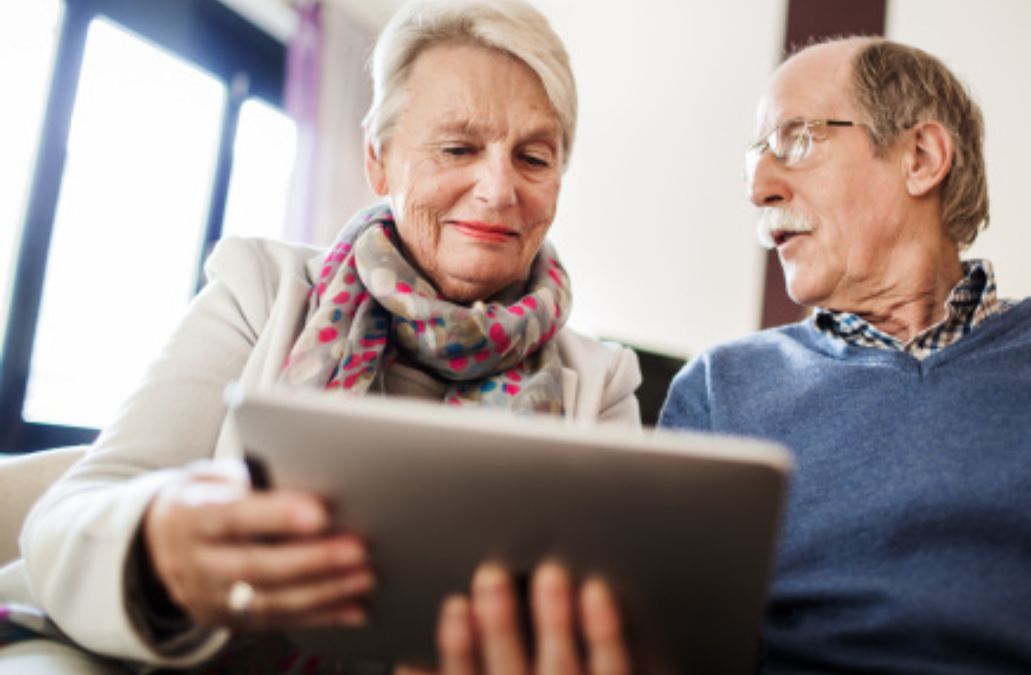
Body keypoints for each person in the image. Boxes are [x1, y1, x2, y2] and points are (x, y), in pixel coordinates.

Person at [0, 0, 639, 673]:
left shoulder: (602, 383)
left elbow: (629, 612)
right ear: (380, 161)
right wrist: (159, 549)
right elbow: (69, 516)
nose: (498, 187)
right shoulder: (259, 290)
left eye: (533, 158)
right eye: (458, 148)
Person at [660, 36, 1031, 674]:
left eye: (796, 140)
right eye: (755, 158)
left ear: (920, 157)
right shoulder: (720, 391)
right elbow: (674, 646)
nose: (760, 188)